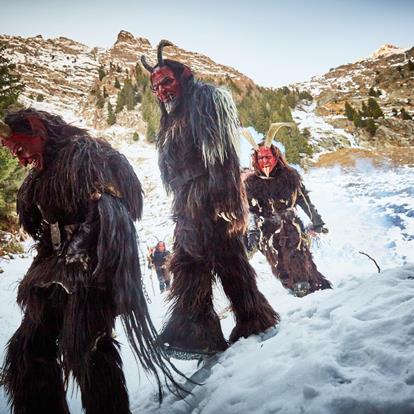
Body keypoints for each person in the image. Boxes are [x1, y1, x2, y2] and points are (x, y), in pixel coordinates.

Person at [0, 109, 179, 414]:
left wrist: (78, 257)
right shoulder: (40, 175)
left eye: (19, 148)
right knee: (28, 351)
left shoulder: (87, 157)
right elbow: (45, 229)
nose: (20, 159)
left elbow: (109, 212)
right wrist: (49, 264)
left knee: (87, 348)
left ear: (38, 130)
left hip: (91, 275)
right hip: (54, 273)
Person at [140, 40, 278, 359]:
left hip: (209, 199)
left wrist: (224, 202)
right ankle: (254, 318)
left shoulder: (205, 100)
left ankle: (195, 333)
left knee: (191, 262)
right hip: (190, 201)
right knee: (229, 260)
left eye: (166, 82)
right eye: (156, 87)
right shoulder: (172, 117)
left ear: (185, 75)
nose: (161, 91)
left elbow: (221, 157)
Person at [243, 139, 332, 297]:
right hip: (266, 229)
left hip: (290, 223)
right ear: (255, 161)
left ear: (276, 157)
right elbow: (251, 211)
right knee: (277, 261)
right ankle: (294, 286)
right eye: (261, 158)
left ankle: (304, 283)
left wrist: (317, 221)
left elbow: (304, 201)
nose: (265, 162)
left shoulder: (289, 177)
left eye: (268, 157)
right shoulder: (251, 184)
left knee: (294, 248)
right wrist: (252, 232)